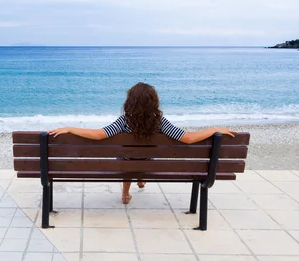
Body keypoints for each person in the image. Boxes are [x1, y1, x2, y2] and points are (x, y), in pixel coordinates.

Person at [49, 82, 236, 204]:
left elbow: (99, 135)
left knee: (126, 157)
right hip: (149, 160)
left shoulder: (123, 121)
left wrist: (71, 128)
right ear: (153, 102)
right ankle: (141, 177)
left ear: (129, 102)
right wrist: (213, 130)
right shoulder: (160, 122)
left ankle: (125, 193)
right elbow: (187, 138)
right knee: (144, 155)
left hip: (126, 161)